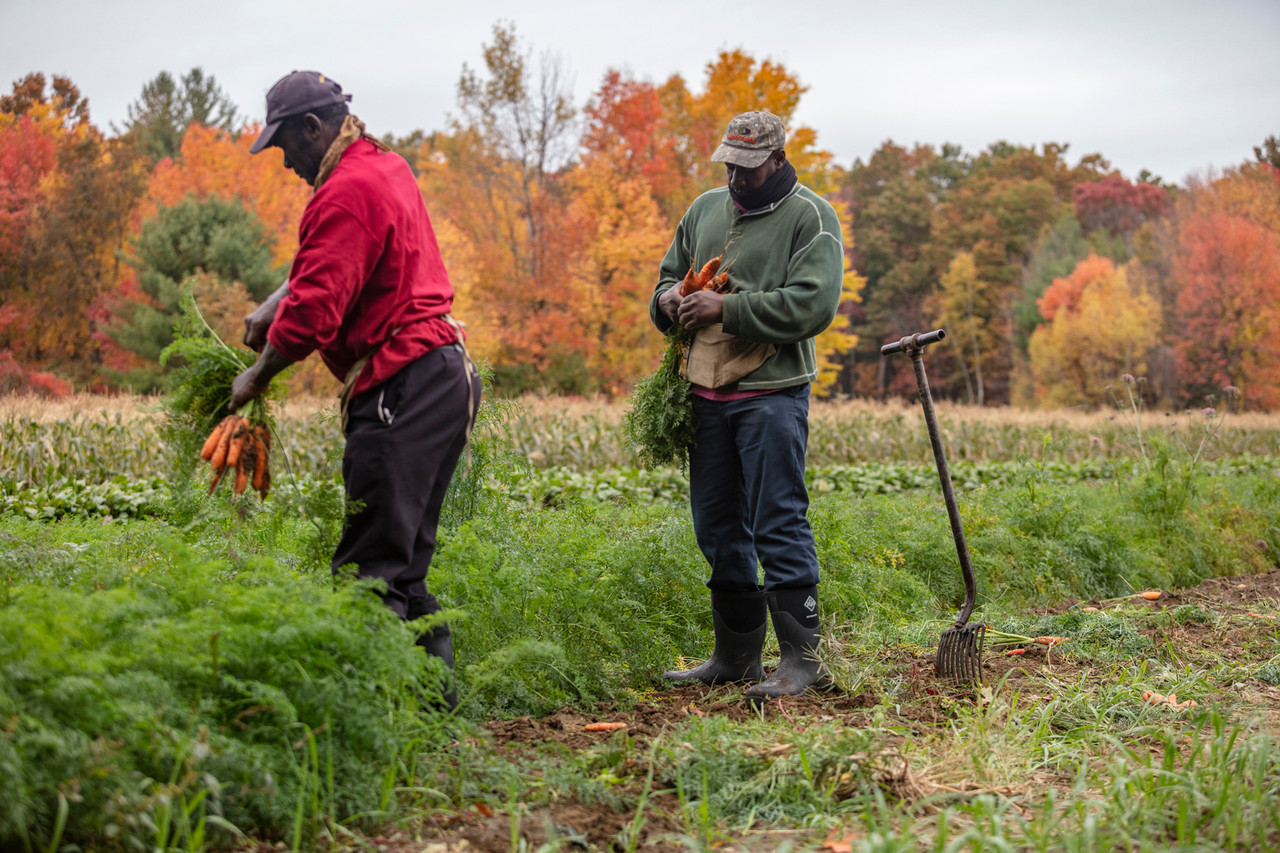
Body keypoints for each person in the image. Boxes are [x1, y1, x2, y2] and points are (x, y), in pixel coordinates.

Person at [230, 70, 480, 710]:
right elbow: (330, 263)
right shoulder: (384, 166)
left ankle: (367, 723)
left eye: (286, 146)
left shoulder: (344, 191)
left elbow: (316, 310)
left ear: (315, 127)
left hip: (404, 382)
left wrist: (256, 377)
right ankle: (436, 716)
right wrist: (272, 301)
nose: (286, 164)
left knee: (369, 573)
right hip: (444, 374)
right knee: (401, 563)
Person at [649, 111, 844, 700]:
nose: (736, 177)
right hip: (704, 393)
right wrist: (673, 300)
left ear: (778, 160)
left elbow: (812, 305)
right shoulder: (705, 209)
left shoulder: (811, 217)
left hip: (771, 395)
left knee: (777, 520)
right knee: (717, 527)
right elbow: (663, 282)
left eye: (749, 168)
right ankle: (733, 658)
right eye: (729, 165)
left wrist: (725, 309)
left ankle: (799, 663)